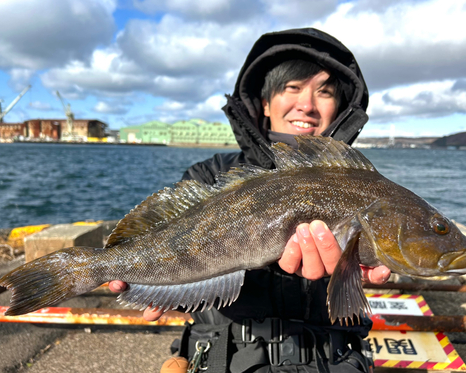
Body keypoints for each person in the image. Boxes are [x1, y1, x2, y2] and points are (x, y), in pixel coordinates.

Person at [110, 28, 391, 372]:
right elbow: (168, 244)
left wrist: (362, 269)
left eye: (325, 92)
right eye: (292, 88)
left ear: (341, 106)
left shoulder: (364, 185)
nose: (307, 104)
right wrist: (156, 287)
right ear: (265, 102)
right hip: (222, 358)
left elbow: (385, 263)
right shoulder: (210, 175)